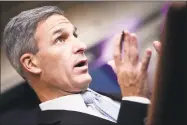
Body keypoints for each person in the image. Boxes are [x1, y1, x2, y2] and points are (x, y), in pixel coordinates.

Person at [2, 6, 160, 125]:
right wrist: (134, 98)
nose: (81, 45)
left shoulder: (111, 95)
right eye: (60, 39)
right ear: (31, 63)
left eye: (74, 35)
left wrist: (170, 80)